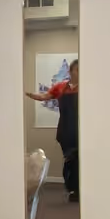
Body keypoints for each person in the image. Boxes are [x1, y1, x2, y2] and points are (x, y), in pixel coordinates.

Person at [25, 60, 79, 201]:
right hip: (66, 130)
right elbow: (44, 96)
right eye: (77, 70)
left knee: (81, 161)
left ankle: (80, 190)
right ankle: (72, 189)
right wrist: (30, 95)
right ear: (71, 72)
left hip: (82, 130)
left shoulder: (86, 87)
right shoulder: (60, 87)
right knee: (70, 161)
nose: (80, 73)